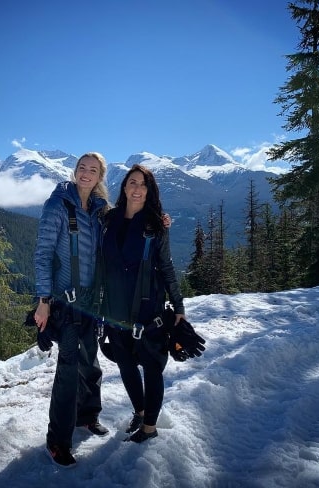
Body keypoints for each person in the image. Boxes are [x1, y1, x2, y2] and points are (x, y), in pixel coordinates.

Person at [97, 163, 185, 443]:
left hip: (148, 309)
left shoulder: (155, 224)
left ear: (150, 191)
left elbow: (167, 267)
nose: (137, 188)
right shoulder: (109, 220)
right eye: (132, 182)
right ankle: (140, 411)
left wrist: (179, 305)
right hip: (115, 309)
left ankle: (149, 427)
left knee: (151, 366)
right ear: (124, 187)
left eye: (143, 184)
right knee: (124, 363)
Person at [33, 152, 111, 468]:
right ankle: (57, 442)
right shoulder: (58, 206)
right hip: (65, 304)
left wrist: (158, 220)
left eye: (93, 170)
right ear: (75, 170)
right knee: (67, 373)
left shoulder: (98, 210)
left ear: (100, 176)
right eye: (82, 168)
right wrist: (43, 301)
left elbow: (126, 227)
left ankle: (87, 416)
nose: (86, 173)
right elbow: (41, 255)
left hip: (92, 303)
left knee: (90, 363)